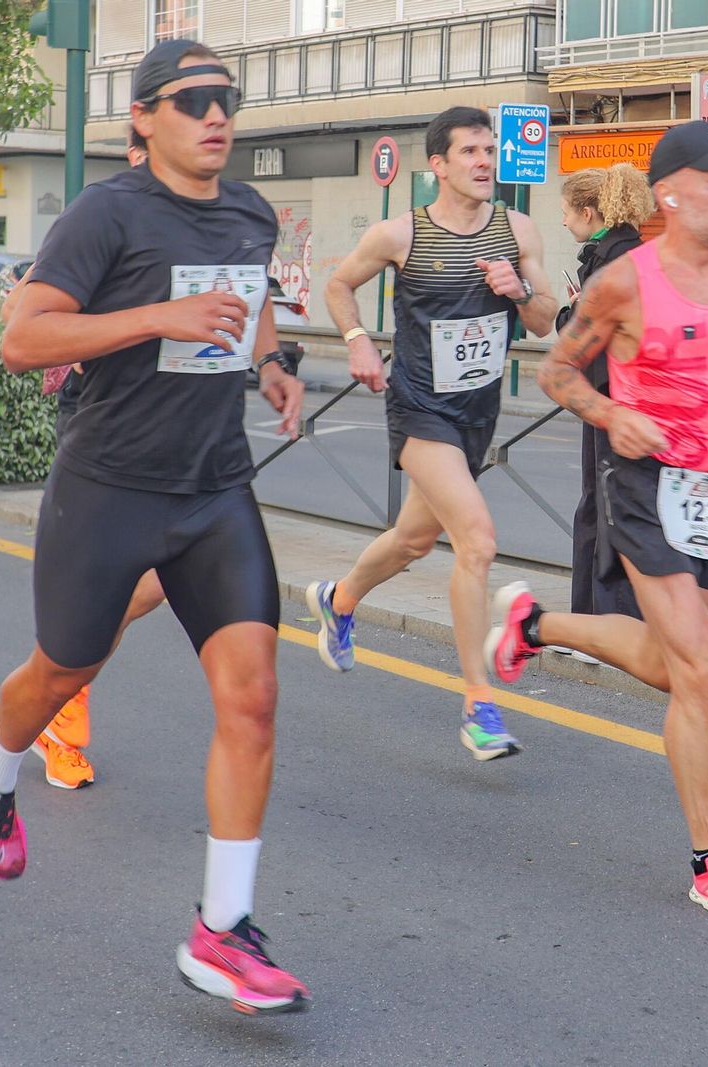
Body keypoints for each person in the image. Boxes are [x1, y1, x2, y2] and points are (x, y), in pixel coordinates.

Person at [0, 39, 311, 1013]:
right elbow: (22, 338)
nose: (215, 114)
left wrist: (275, 362)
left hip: (214, 489)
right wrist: (156, 315)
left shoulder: (247, 211)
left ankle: (222, 931)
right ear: (145, 120)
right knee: (62, 669)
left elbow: (246, 310)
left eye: (226, 99)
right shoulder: (104, 214)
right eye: (193, 99)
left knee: (251, 699)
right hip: (110, 484)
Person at [485, 121, 708, 924]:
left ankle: (536, 624)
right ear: (670, 194)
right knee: (700, 668)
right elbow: (557, 370)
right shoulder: (623, 283)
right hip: (642, 485)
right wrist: (610, 414)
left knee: (675, 669)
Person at [309, 105, 558, 761]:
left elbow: (543, 321)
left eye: (490, 151)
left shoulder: (518, 228)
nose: (484, 162)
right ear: (439, 165)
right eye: (470, 152)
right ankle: (479, 704)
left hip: (475, 413)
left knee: (414, 538)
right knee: (476, 538)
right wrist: (358, 341)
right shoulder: (401, 234)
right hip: (419, 406)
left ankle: (339, 598)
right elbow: (337, 285)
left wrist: (519, 286)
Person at [0, 125, 166, 791]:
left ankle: (63, 677)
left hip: (175, 432)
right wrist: (75, 337)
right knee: (117, 589)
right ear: (137, 152)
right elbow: (20, 313)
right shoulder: (104, 220)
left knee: (150, 584)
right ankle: (59, 706)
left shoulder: (205, 221)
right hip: (101, 428)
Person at [556, 164, 655, 632]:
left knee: (605, 508)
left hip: (609, 399)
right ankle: (604, 619)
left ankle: (604, 622)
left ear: (589, 211)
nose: (562, 222)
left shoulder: (610, 263)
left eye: (566, 213)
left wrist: (570, 314)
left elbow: (582, 338)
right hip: (629, 399)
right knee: (613, 506)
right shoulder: (636, 254)